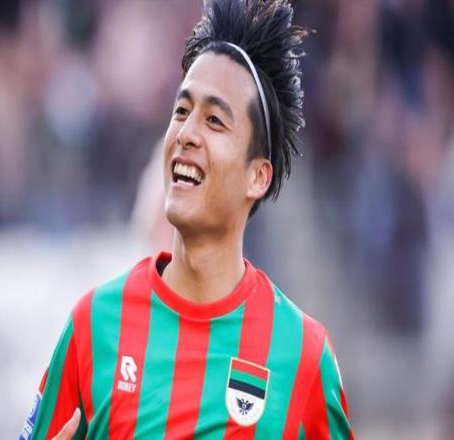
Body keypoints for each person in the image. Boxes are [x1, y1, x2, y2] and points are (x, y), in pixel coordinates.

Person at [20, 0, 353, 438]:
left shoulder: (302, 357)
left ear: (258, 176)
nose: (187, 133)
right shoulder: (94, 325)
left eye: (214, 120)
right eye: (181, 111)